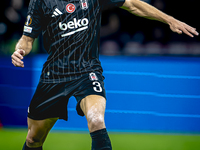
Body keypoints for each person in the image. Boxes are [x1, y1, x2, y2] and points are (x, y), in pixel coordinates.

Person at [11, 0, 198, 150]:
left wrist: (169, 19)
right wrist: (19, 51)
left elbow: (132, 4)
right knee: (34, 139)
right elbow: (27, 39)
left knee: (96, 119)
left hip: (87, 71)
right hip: (54, 75)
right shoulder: (41, 2)